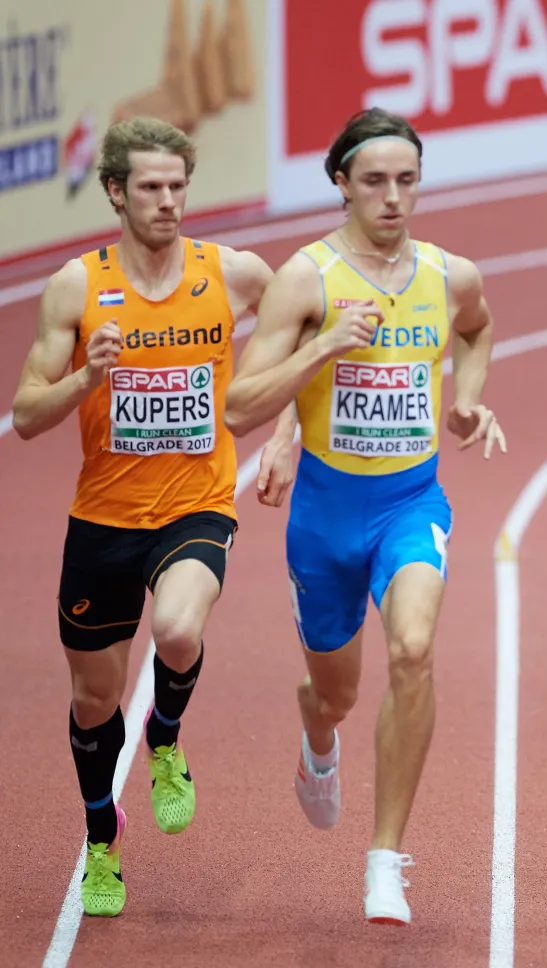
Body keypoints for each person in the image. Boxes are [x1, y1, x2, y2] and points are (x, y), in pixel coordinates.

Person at [223, 107, 506, 924]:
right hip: (324, 516)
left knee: (414, 649)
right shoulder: (305, 279)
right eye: (374, 181)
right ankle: (318, 740)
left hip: (409, 502)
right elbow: (239, 405)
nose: (392, 198)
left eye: (406, 181)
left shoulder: (449, 276)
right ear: (340, 183)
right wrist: (322, 348)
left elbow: (479, 332)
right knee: (334, 693)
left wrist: (470, 401)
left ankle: (385, 858)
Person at [10, 117, 272, 917]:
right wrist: (85, 379)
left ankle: (164, 739)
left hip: (196, 503)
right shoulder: (75, 288)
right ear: (116, 191)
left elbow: (299, 335)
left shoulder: (233, 274)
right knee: (93, 701)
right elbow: (24, 414)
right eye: (151, 188)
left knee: (180, 631)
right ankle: (101, 839)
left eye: (178, 186)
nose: (168, 202)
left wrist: (287, 432)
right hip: (103, 521)